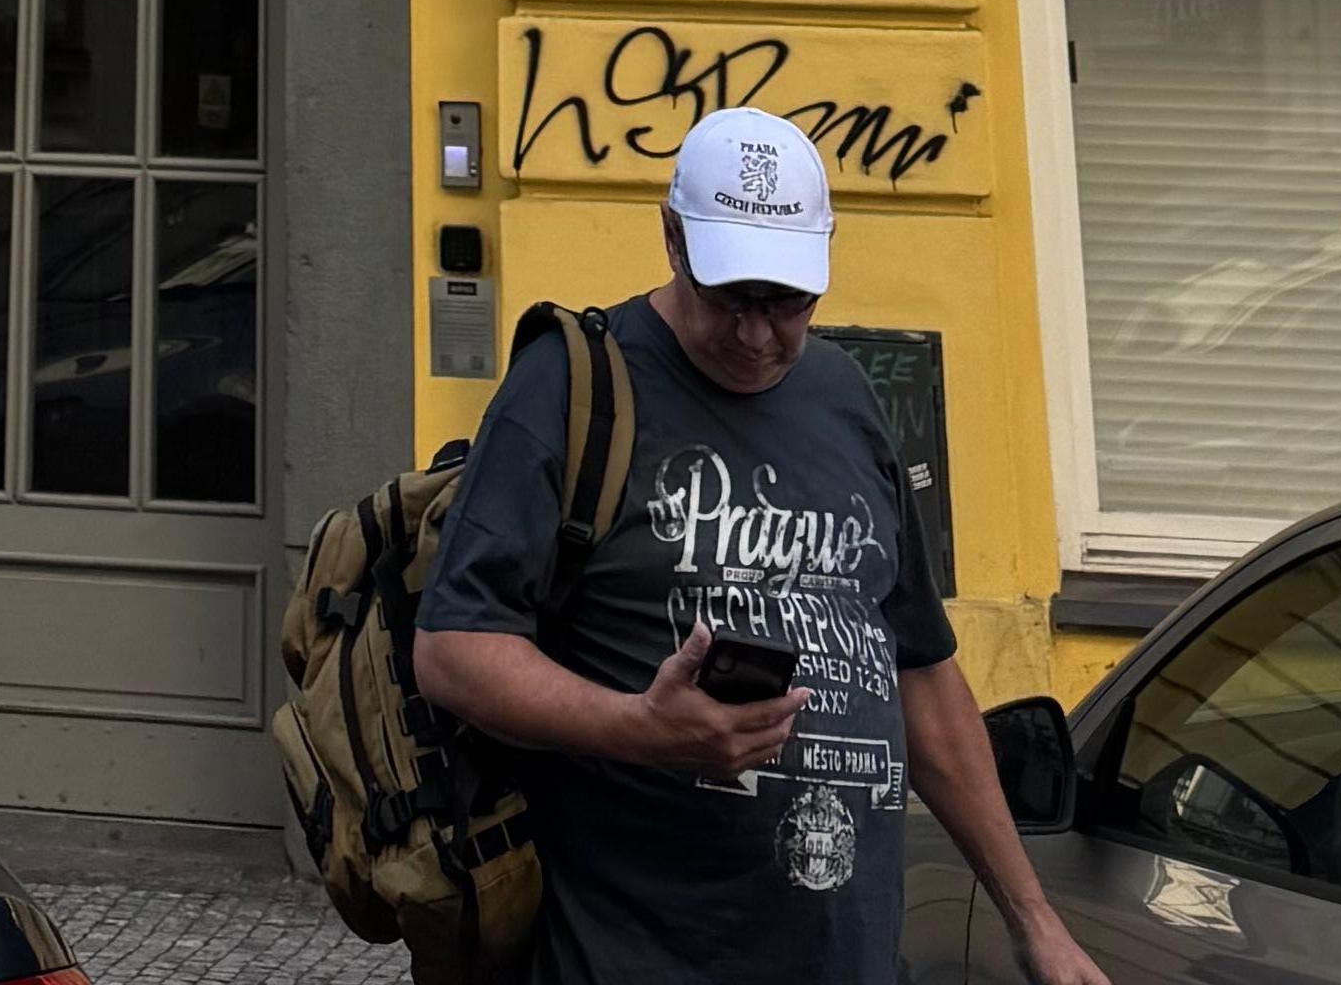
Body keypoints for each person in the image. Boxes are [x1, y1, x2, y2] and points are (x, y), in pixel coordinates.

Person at [413, 103, 1106, 985]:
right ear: (672, 238)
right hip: (636, 958)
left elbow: (921, 676)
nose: (755, 334)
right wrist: (639, 729)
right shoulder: (570, 386)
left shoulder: (847, 397)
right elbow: (453, 649)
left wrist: (1034, 922)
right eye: (728, 296)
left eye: (786, 302)